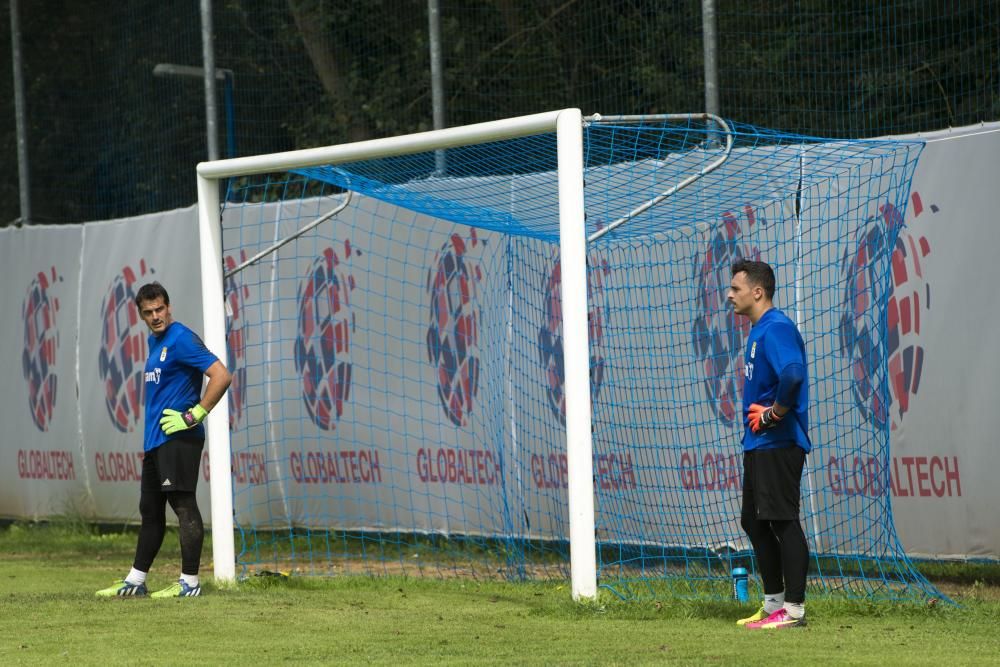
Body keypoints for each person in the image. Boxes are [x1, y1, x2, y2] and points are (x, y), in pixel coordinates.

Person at [97, 282, 232, 598]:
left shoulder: (182, 338)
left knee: (183, 505)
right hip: (157, 440)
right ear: (141, 315)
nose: (156, 316)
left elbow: (221, 375)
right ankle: (136, 580)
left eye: (160, 309)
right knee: (150, 509)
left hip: (179, 438)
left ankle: (190, 584)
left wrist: (194, 414)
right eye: (149, 312)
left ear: (168, 307)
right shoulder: (154, 341)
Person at [727, 259, 810, 629]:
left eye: (736, 289)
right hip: (760, 445)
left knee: (782, 521)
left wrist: (773, 414)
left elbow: (793, 375)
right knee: (754, 522)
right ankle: (774, 602)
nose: (729, 295)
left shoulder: (776, 328)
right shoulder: (758, 329)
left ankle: (793, 611)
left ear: (757, 292)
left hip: (779, 442)